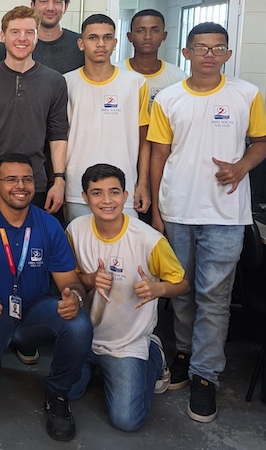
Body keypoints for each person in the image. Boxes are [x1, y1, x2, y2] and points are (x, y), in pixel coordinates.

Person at [148, 22, 266, 423]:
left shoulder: (246, 94)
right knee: (181, 292)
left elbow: (262, 143)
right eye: (200, 48)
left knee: (214, 297)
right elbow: (159, 155)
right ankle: (183, 355)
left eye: (217, 49)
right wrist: (155, 210)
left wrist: (240, 168)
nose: (208, 55)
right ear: (186, 53)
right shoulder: (167, 99)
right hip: (177, 209)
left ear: (227, 55)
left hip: (225, 215)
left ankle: (205, 377)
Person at [0, 153, 92, 442]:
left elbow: (71, 284)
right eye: (11, 179)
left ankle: (57, 392)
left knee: (78, 323)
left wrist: (74, 298)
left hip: (34, 313)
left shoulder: (49, 226)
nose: (21, 185)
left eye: (27, 179)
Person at [66, 164, 188, 432]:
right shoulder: (76, 230)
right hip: (85, 337)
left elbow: (182, 283)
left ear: (126, 195)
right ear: (85, 197)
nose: (107, 201)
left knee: (127, 420)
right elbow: (72, 279)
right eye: (97, 193)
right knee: (67, 393)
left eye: (114, 192)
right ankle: (97, 366)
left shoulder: (149, 240)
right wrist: (89, 279)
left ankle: (153, 353)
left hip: (127, 342)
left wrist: (159, 289)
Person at [0, 6, 69, 215]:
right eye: (15, 32)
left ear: (37, 38)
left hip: (34, 182)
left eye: (29, 32)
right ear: (2, 36)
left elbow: (58, 133)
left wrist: (59, 180)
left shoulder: (55, 81)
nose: (22, 38)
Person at [63, 14, 150, 222]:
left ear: (115, 42)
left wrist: (143, 183)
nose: (101, 44)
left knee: (124, 252)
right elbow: (58, 138)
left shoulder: (135, 82)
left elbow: (145, 139)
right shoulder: (66, 82)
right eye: (93, 38)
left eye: (107, 37)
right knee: (79, 251)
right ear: (81, 43)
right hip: (77, 189)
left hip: (123, 189)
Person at [125, 8, 186, 111]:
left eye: (155, 30)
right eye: (140, 31)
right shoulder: (115, 72)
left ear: (164, 35)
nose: (148, 36)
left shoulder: (178, 77)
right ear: (130, 36)